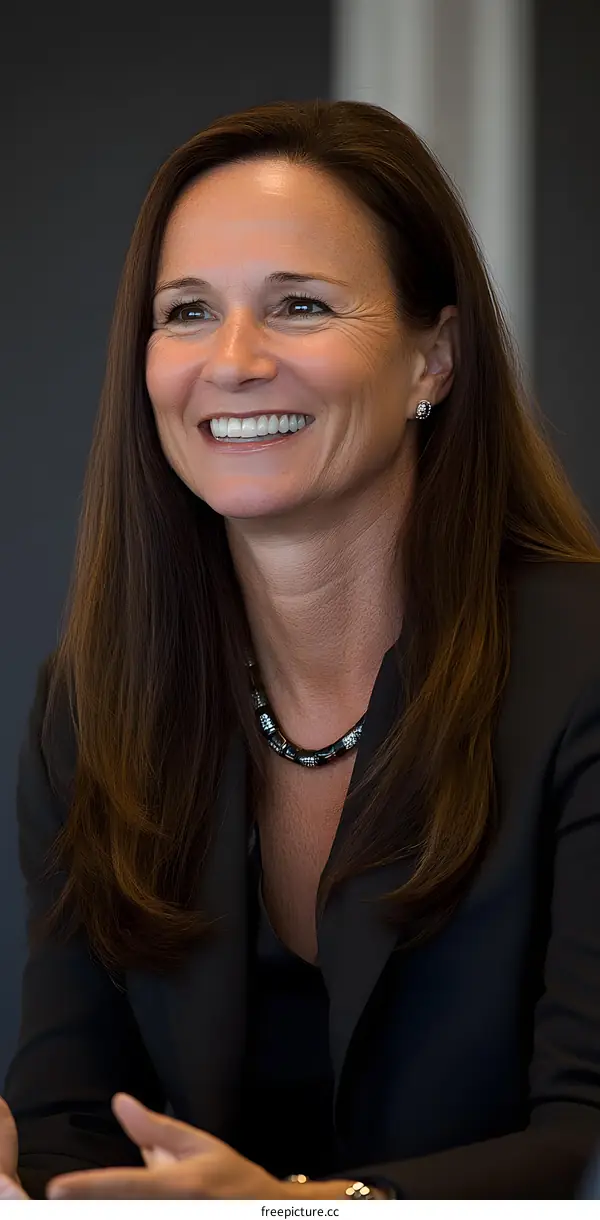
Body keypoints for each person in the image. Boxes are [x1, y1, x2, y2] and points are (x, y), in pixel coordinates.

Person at [2, 97, 600, 1202]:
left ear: (435, 360)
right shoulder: (93, 706)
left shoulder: (584, 666)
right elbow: (69, 1128)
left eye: (300, 305)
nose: (232, 360)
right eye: (186, 311)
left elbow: (590, 1141)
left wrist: (310, 1214)